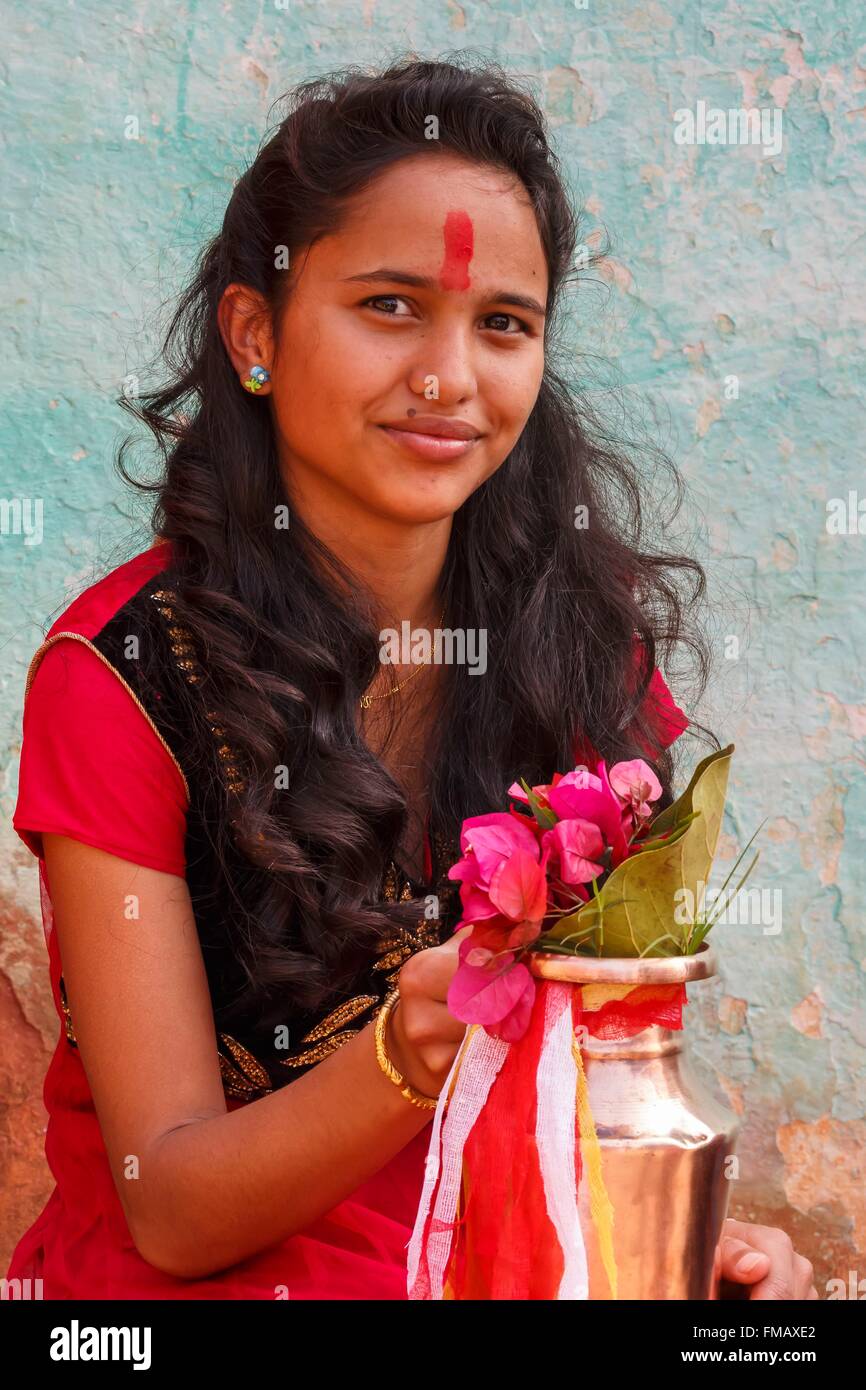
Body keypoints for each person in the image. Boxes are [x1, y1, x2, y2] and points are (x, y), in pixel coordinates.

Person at [6, 55, 816, 1300]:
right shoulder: (119, 677)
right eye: (389, 306)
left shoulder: (580, 652)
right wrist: (404, 1051)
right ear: (255, 332)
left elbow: (589, 1109)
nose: (449, 378)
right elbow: (165, 1204)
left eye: (502, 324)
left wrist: (675, 1242)